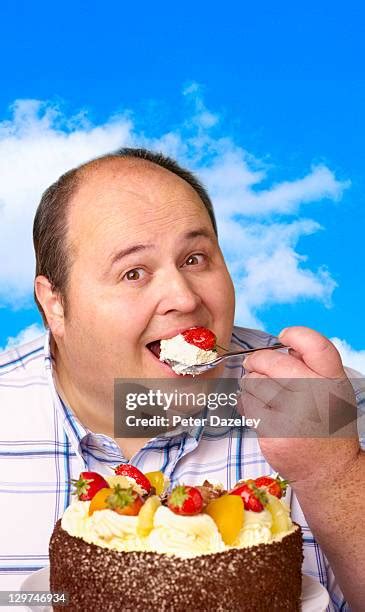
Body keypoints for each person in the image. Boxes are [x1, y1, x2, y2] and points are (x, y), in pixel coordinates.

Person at [0, 148, 364, 610]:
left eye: (195, 259)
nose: (183, 297)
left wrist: (334, 470)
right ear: (55, 303)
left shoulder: (325, 399)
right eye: (133, 272)